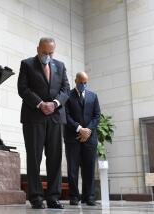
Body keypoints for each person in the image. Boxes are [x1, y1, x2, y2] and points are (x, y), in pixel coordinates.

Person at [17, 37, 70, 209]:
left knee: (54, 158)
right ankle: (36, 197)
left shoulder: (60, 66)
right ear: (38, 48)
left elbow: (66, 90)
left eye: (51, 53)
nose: (47, 55)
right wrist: (40, 104)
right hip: (34, 117)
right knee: (34, 158)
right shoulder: (27, 64)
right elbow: (23, 88)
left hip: (55, 117)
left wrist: (54, 104)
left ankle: (53, 197)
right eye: (44, 52)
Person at [64, 71, 101, 206]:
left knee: (89, 168)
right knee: (73, 169)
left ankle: (89, 196)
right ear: (75, 81)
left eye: (85, 83)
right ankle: (74, 196)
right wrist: (80, 129)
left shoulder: (93, 96)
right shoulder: (68, 96)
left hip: (90, 139)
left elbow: (97, 116)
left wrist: (88, 131)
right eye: (81, 83)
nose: (83, 85)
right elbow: (66, 116)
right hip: (72, 137)